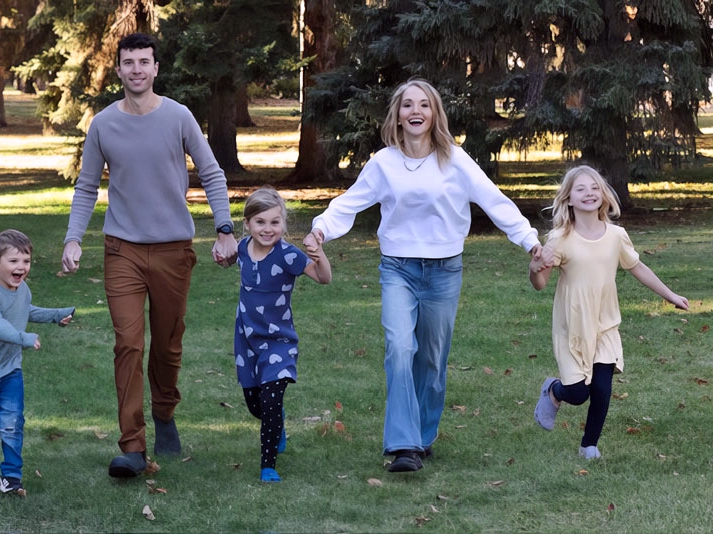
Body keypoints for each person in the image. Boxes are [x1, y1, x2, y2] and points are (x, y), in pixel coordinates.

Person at [302, 79, 542, 472]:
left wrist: (530, 242)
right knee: (399, 349)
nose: (416, 111)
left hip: (444, 272)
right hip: (398, 269)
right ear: (397, 115)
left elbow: (496, 202)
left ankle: (423, 436)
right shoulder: (384, 163)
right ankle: (404, 446)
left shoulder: (455, 160)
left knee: (431, 360)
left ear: (434, 114)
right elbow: (349, 204)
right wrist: (320, 230)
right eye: (408, 105)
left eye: (424, 105)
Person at [60, 32, 238, 478]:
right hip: (121, 250)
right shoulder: (103, 124)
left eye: (144, 62)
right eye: (129, 62)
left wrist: (224, 229)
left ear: (156, 68)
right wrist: (73, 238)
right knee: (128, 343)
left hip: (173, 250)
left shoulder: (178, 117)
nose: (136, 69)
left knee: (168, 344)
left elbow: (212, 173)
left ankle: (164, 411)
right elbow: (86, 186)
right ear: (118, 69)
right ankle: (133, 446)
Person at [529, 165, 689, 459]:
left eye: (595, 188)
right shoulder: (560, 238)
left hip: (605, 325)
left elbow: (637, 267)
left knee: (602, 388)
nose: (589, 193)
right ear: (568, 199)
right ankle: (554, 390)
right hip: (572, 327)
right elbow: (540, 284)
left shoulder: (616, 236)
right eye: (580, 189)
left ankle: (589, 445)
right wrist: (535, 267)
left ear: (603, 195)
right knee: (578, 393)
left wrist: (671, 295)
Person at [0, 229, 74, 496]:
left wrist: (55, 316)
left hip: (10, 370)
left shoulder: (22, 288)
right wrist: (23, 338)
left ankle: (12, 478)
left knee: (12, 423)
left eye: (26, 261)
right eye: (13, 261)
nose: (21, 267)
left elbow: (25, 311)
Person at [234, 188, 331, 482]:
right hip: (247, 340)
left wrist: (319, 255)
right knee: (256, 404)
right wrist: (220, 251)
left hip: (279, 342)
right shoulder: (242, 248)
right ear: (247, 224)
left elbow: (324, 278)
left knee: (270, 402)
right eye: (260, 222)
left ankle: (268, 466)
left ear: (283, 224)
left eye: (275, 222)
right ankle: (278, 421)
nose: (268, 229)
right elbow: (228, 257)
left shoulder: (288, 255)